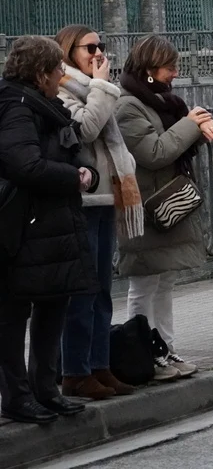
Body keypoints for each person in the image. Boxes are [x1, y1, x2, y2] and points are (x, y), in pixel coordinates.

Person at [0, 36, 97, 424]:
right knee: (13, 316)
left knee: (53, 306)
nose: (62, 76)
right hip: (24, 230)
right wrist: (73, 177)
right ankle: (17, 396)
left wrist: (85, 173)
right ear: (40, 73)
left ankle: (46, 389)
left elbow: (68, 151)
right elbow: (24, 164)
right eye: (58, 69)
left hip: (51, 227)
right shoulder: (16, 107)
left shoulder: (44, 105)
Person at [117, 35, 213, 381]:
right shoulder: (127, 106)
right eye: (169, 67)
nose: (175, 73)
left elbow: (174, 143)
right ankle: (143, 354)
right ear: (149, 69)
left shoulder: (161, 102)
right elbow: (155, 152)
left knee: (164, 283)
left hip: (163, 208)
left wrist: (196, 127)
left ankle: (165, 348)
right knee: (144, 285)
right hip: (145, 210)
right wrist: (191, 123)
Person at [54, 26, 142, 400]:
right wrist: (102, 86)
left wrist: (99, 87)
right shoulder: (62, 88)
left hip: (107, 198)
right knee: (83, 291)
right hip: (84, 201)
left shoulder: (92, 87)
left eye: (101, 46)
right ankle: (75, 371)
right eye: (90, 47)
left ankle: (99, 363)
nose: (98, 53)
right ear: (69, 50)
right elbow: (86, 130)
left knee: (103, 290)